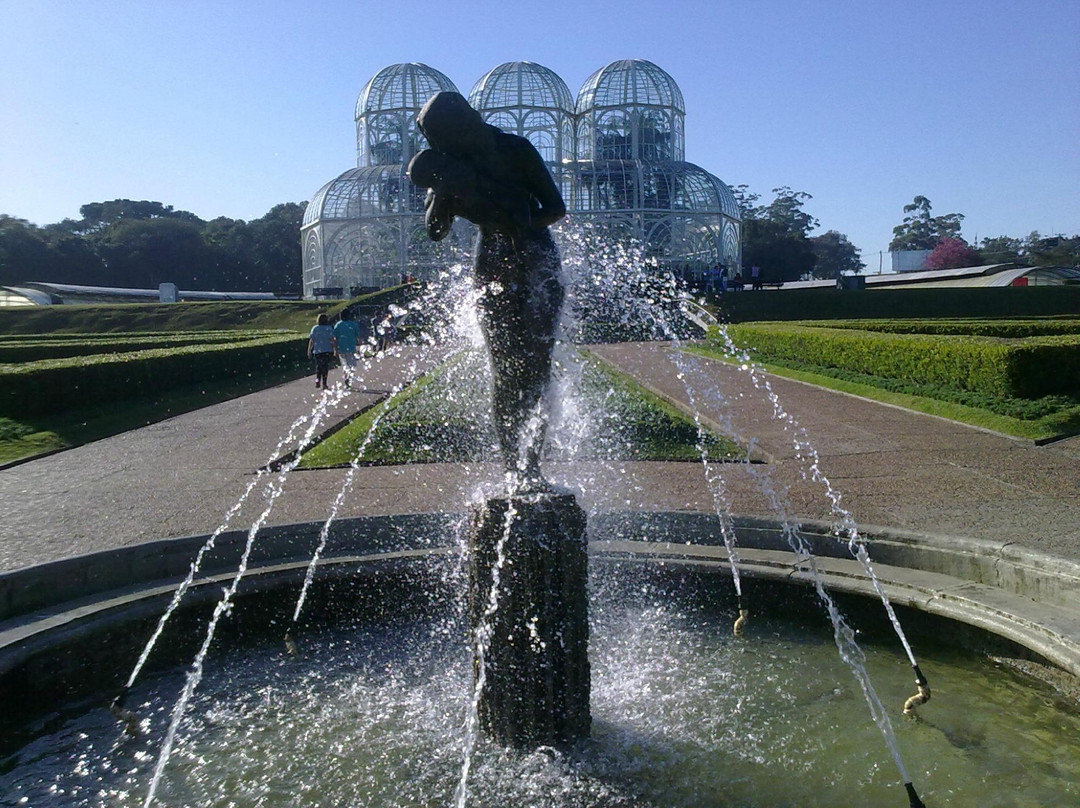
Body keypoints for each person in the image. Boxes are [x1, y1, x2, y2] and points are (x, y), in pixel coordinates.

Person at [408, 90, 566, 491]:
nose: (443, 146)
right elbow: (434, 230)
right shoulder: (451, 162)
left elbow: (556, 208)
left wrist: (516, 220)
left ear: (467, 121)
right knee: (503, 371)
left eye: (445, 136)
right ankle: (512, 468)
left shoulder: (515, 149)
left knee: (535, 366)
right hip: (491, 261)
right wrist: (441, 193)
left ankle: (533, 467)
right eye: (436, 141)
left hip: (535, 260)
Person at [332, 309, 365, 388]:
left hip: (341, 347)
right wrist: (362, 345)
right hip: (351, 347)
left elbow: (335, 338)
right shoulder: (353, 324)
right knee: (352, 365)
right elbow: (358, 337)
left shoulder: (338, 325)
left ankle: (346, 376)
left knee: (345, 364)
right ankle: (348, 378)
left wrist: (335, 349)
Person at [307, 313, 335, 390]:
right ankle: (324, 384)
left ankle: (317, 380)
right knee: (325, 368)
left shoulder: (315, 328)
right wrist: (335, 349)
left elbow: (312, 340)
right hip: (327, 350)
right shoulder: (328, 328)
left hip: (317, 351)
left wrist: (309, 350)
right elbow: (332, 340)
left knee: (318, 367)